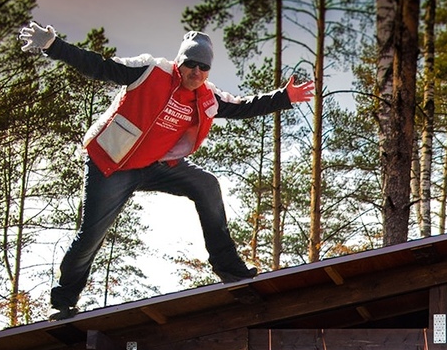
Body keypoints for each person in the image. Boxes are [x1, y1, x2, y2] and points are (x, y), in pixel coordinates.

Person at [19, 22, 313, 316]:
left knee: (207, 185)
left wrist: (284, 98)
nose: (195, 74)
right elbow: (100, 66)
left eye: (203, 68)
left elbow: (240, 106)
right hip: (112, 163)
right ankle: (64, 300)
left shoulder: (207, 96)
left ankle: (228, 267)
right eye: (190, 65)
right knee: (91, 235)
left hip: (157, 166)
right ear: (179, 62)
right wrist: (54, 46)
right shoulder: (149, 71)